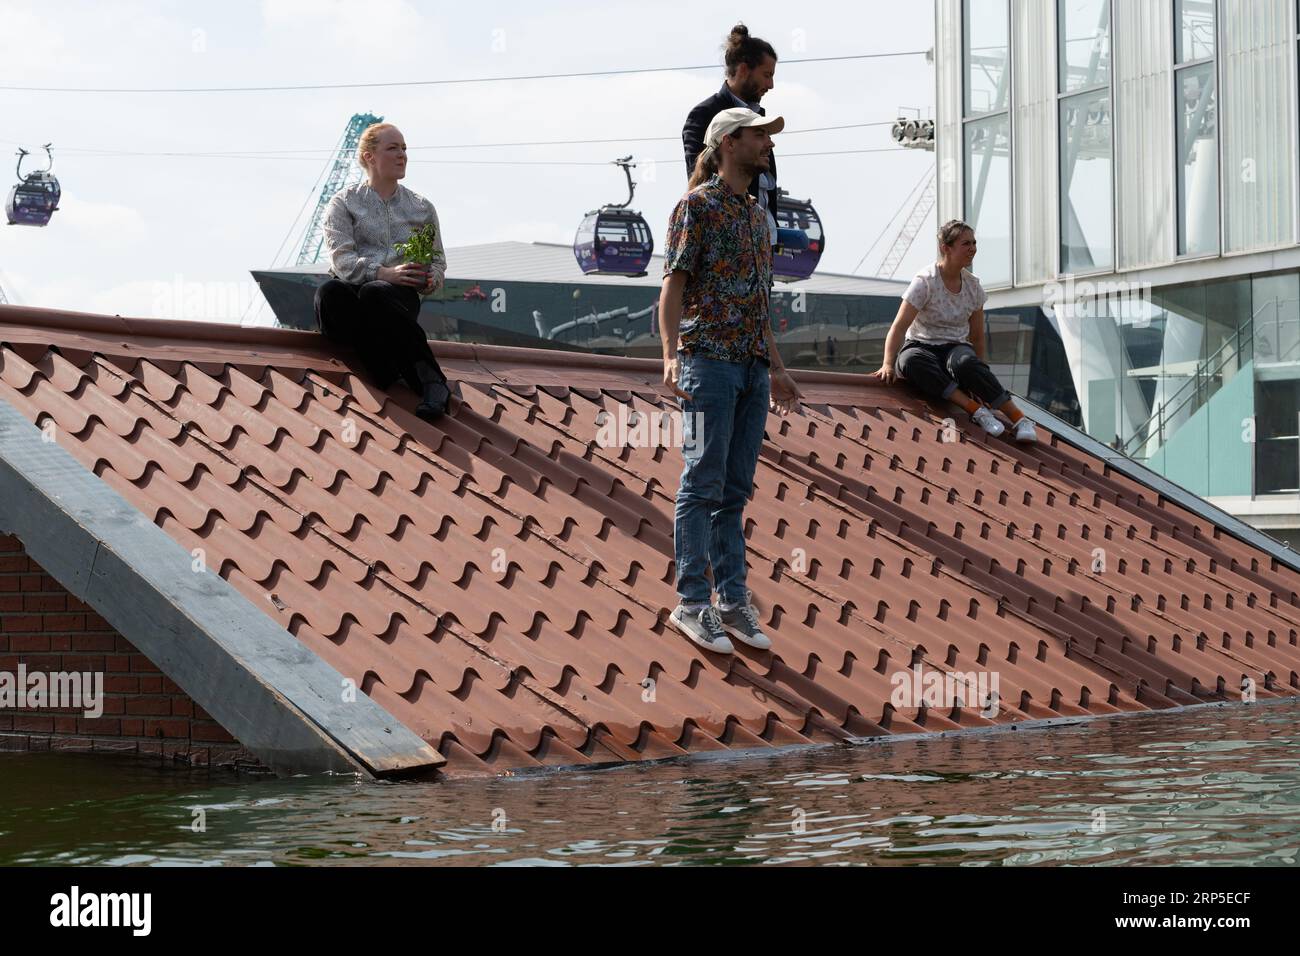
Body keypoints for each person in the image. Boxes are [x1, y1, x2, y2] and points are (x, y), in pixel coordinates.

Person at [661, 107, 804, 656]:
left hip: (750, 368)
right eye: (759, 135)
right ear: (727, 142)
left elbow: (759, 301)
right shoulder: (694, 207)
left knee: (735, 490)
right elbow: (672, 288)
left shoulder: (754, 214)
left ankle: (731, 599)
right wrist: (672, 357)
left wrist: (778, 366)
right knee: (701, 484)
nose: (767, 144)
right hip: (707, 362)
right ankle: (692, 602)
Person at [316, 122, 452, 420]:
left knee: (376, 293)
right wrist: (382, 272)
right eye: (393, 148)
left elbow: (438, 260)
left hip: (395, 300)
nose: (402, 155)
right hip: (354, 294)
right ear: (369, 157)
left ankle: (431, 382)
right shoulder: (342, 203)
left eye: (404, 148)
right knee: (330, 292)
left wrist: (431, 279)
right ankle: (386, 366)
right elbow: (342, 262)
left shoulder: (421, 208)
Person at [874, 220, 1037, 442]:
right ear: (946, 248)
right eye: (966, 243)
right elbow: (899, 327)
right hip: (922, 346)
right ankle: (977, 411)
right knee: (910, 361)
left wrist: (979, 376)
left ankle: (1020, 420)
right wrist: (887, 364)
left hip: (956, 348)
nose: (973, 248)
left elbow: (977, 337)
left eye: (974, 243)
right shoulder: (925, 282)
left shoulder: (973, 287)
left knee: (966, 364)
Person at [683, 24, 780, 245]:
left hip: (759, 251)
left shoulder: (760, 118)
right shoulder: (704, 115)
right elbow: (699, 177)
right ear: (744, 70)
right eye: (766, 75)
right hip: (725, 245)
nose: (771, 85)